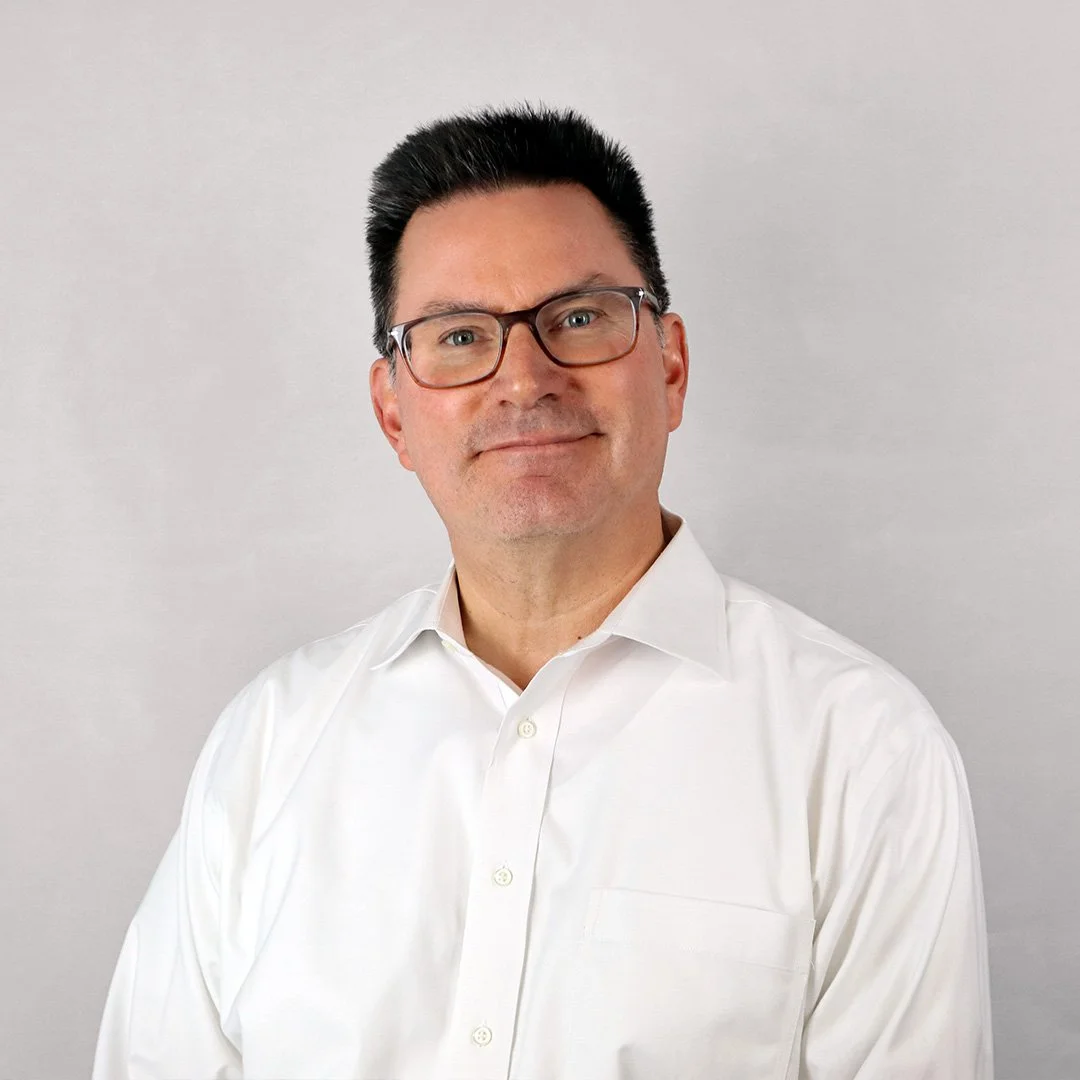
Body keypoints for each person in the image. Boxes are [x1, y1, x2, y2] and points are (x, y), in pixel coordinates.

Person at [92, 104, 993, 1079]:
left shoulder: (863, 754)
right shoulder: (268, 745)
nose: (524, 380)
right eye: (458, 335)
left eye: (578, 319)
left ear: (672, 365)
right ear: (394, 411)